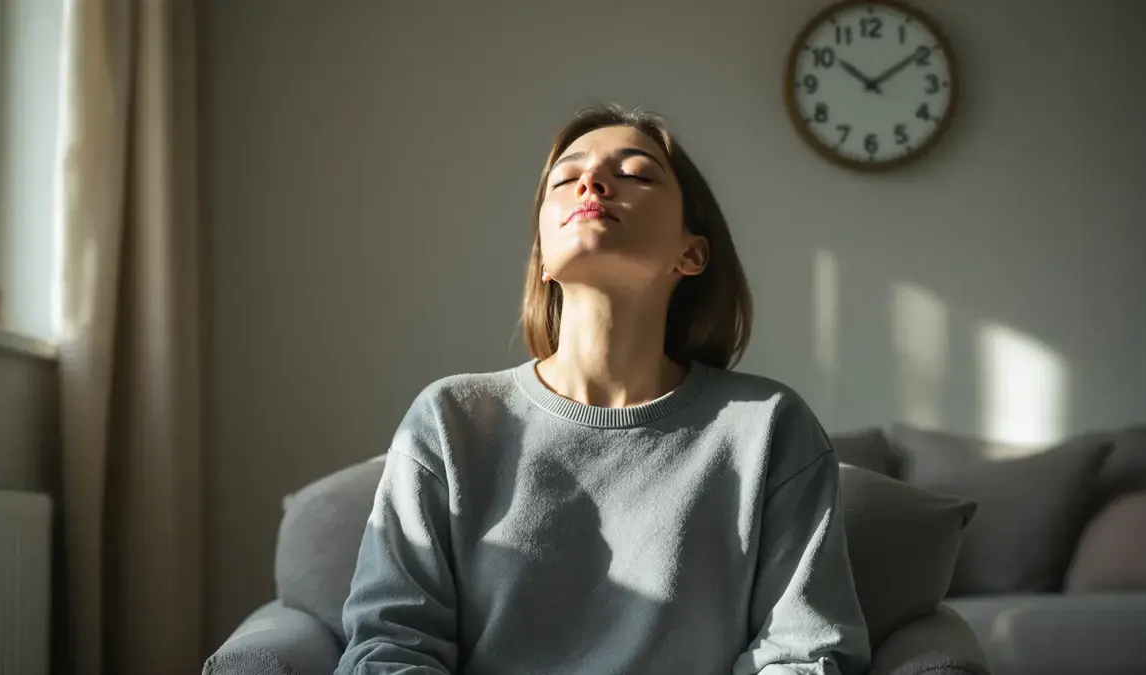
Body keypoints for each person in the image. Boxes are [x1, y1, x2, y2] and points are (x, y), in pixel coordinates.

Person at [335, 104, 871, 675]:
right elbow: (390, 645)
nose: (591, 182)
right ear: (543, 257)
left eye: (636, 173)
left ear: (691, 253)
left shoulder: (768, 425)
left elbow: (805, 651)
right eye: (566, 178)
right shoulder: (451, 419)